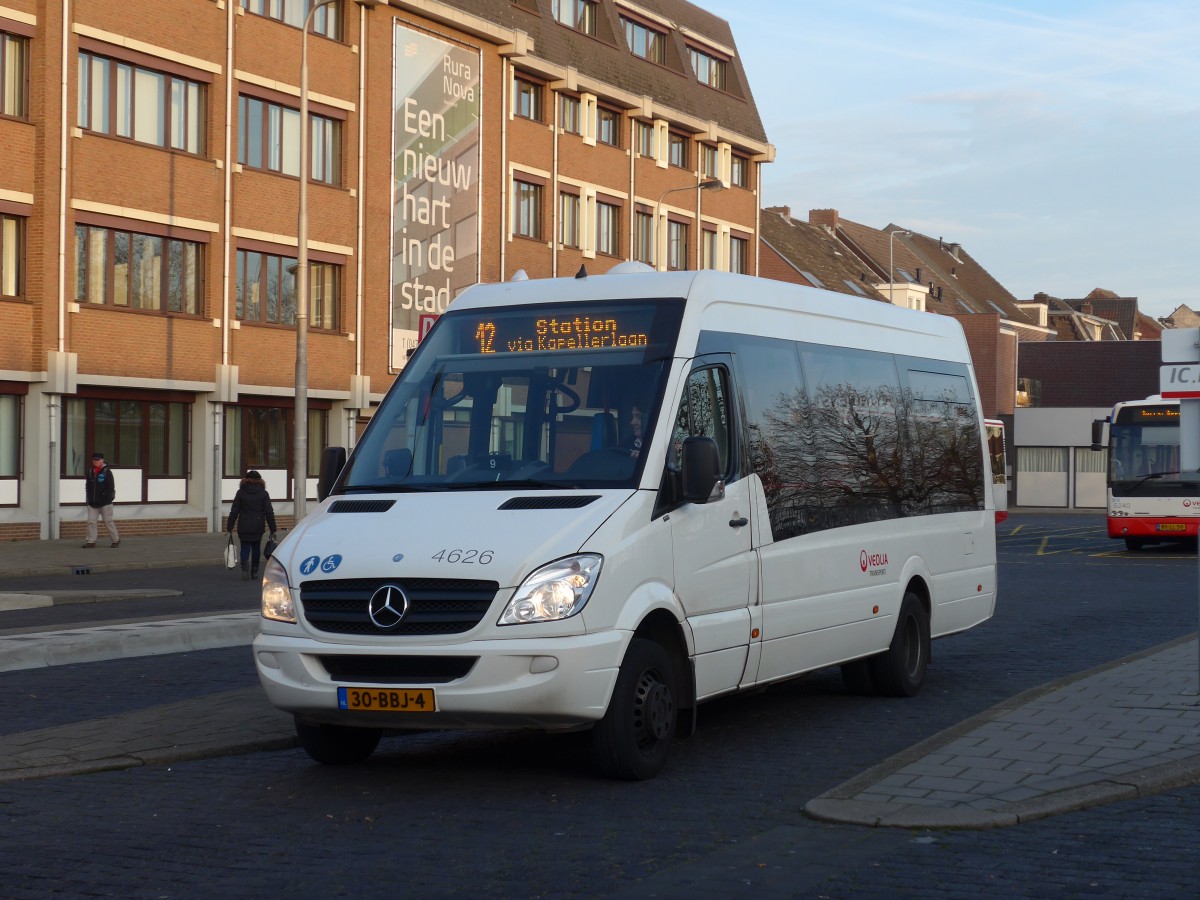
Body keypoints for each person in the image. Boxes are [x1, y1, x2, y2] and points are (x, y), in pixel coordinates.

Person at [227, 470, 277, 581]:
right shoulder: (264, 493)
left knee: (245, 547)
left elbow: (234, 510)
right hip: (258, 525)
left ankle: (245, 568)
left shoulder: (240, 492)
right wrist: (273, 528)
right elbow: (269, 512)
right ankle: (255, 570)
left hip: (243, 524)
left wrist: (229, 526)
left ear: (245, 480)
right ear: (260, 481)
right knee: (256, 548)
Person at [83, 451, 120, 548]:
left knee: (108, 522)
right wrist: (89, 498)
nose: (95, 461)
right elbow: (87, 486)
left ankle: (115, 540)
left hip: (105, 503)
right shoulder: (90, 471)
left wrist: (106, 497)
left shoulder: (107, 471)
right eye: (94, 460)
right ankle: (91, 542)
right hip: (92, 503)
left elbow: (110, 487)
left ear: (102, 460)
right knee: (91, 522)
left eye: (97, 460)